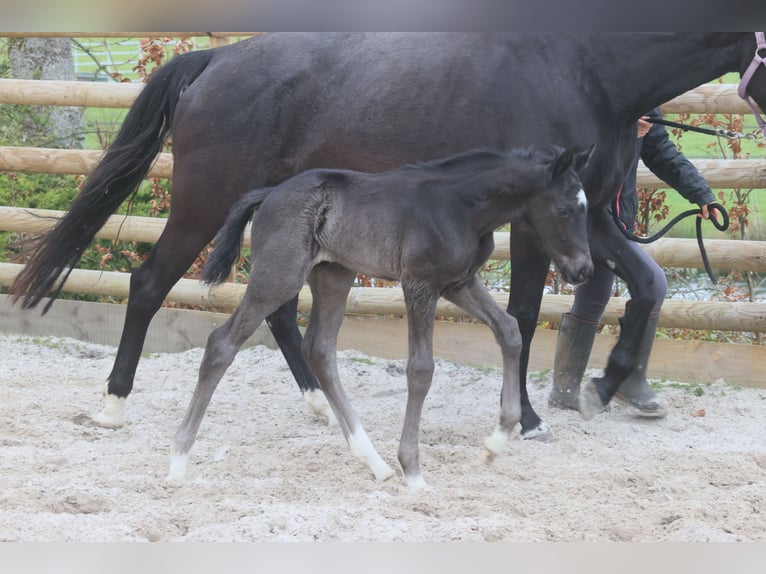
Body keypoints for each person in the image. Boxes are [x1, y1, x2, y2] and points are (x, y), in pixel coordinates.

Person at [549, 107, 718, 417]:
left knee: (593, 297)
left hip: (617, 220)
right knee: (652, 284)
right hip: (585, 218)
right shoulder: (598, 90)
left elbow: (662, 152)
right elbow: (577, 153)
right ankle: (629, 378)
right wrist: (625, 133)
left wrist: (701, 194)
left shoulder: (646, 97)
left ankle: (564, 389)